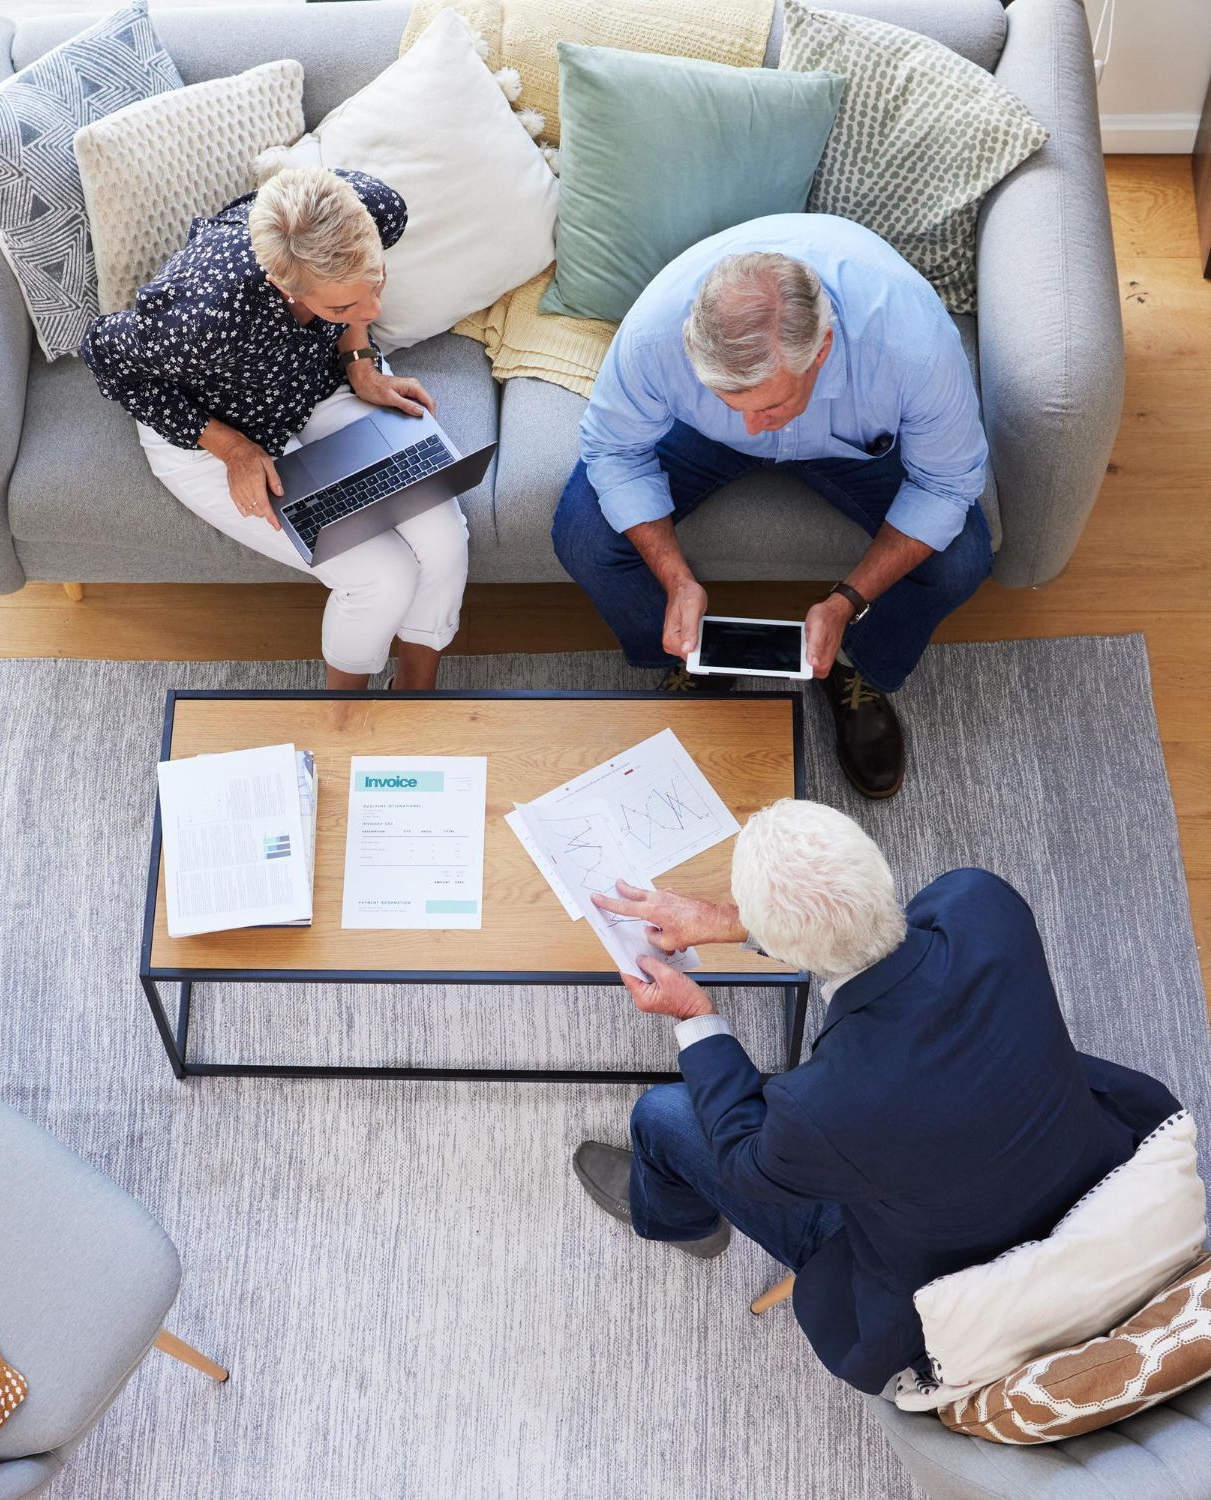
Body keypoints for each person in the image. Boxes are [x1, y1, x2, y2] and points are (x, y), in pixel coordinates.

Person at [572, 799, 1182, 1396]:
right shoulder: (983, 903)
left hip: (947, 1283)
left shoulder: (822, 1108)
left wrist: (694, 1013)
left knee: (659, 1117)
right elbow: (905, 925)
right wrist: (736, 920)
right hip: (1086, 1173)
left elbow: (742, 1158)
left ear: (785, 949)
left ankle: (681, 1224)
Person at [551, 214, 996, 800]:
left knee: (962, 557)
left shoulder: (910, 347)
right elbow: (614, 449)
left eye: (770, 405)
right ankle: (692, 656)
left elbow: (945, 485)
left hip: (849, 447)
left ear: (823, 350)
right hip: (699, 438)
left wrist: (847, 601)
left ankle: (856, 667)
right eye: (729, 400)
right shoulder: (655, 334)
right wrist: (677, 580)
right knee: (582, 531)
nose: (751, 428)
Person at [82, 166, 468, 691]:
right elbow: (104, 353)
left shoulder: (375, 208)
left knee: (444, 534)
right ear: (283, 284)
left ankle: (416, 694)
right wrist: (232, 448)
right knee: (382, 577)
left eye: (375, 283)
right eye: (343, 305)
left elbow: (359, 296)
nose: (373, 309)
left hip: (315, 383)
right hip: (217, 429)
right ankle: (344, 718)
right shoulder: (205, 315)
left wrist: (359, 357)